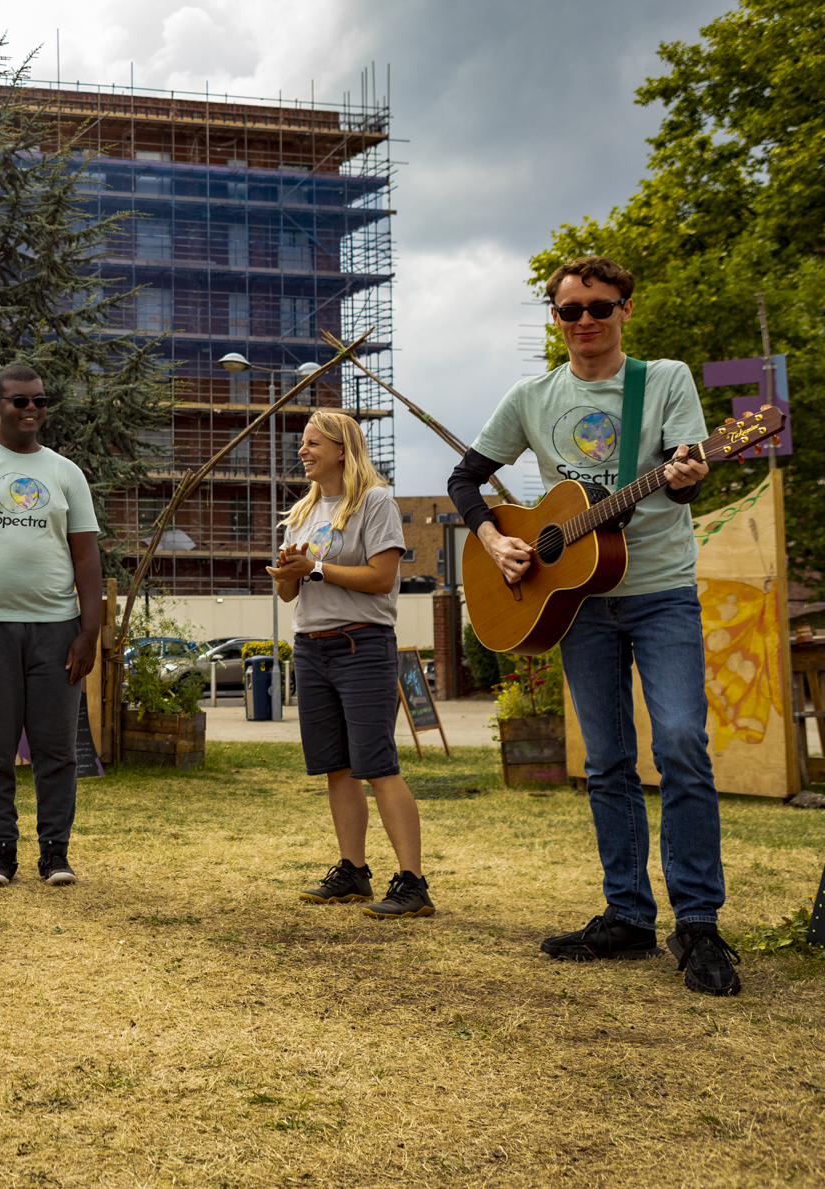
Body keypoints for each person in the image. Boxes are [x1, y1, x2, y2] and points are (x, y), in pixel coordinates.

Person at [449, 253, 737, 996]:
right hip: (575, 600)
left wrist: (688, 475)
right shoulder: (532, 395)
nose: (584, 321)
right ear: (555, 318)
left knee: (681, 743)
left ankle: (697, 921)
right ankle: (628, 915)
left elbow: (680, 481)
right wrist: (495, 540)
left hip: (661, 590)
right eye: (569, 310)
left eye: (599, 307)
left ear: (625, 310)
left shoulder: (664, 379)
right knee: (607, 760)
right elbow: (464, 478)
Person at [0, 365, 102, 888]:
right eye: (20, 401)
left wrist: (88, 633)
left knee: (57, 750)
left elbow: (87, 557)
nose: (32, 410)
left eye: (40, 401)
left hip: (57, 629)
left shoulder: (66, 473)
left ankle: (55, 855)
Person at [265, 410, 431, 919]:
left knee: (377, 766)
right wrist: (287, 573)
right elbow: (290, 594)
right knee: (336, 767)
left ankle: (413, 884)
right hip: (311, 647)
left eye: (313, 443)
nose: (302, 451)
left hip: (363, 646)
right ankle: (353, 872)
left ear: (342, 449)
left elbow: (382, 578)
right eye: (302, 443)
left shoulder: (376, 501)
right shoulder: (301, 513)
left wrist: (314, 567)